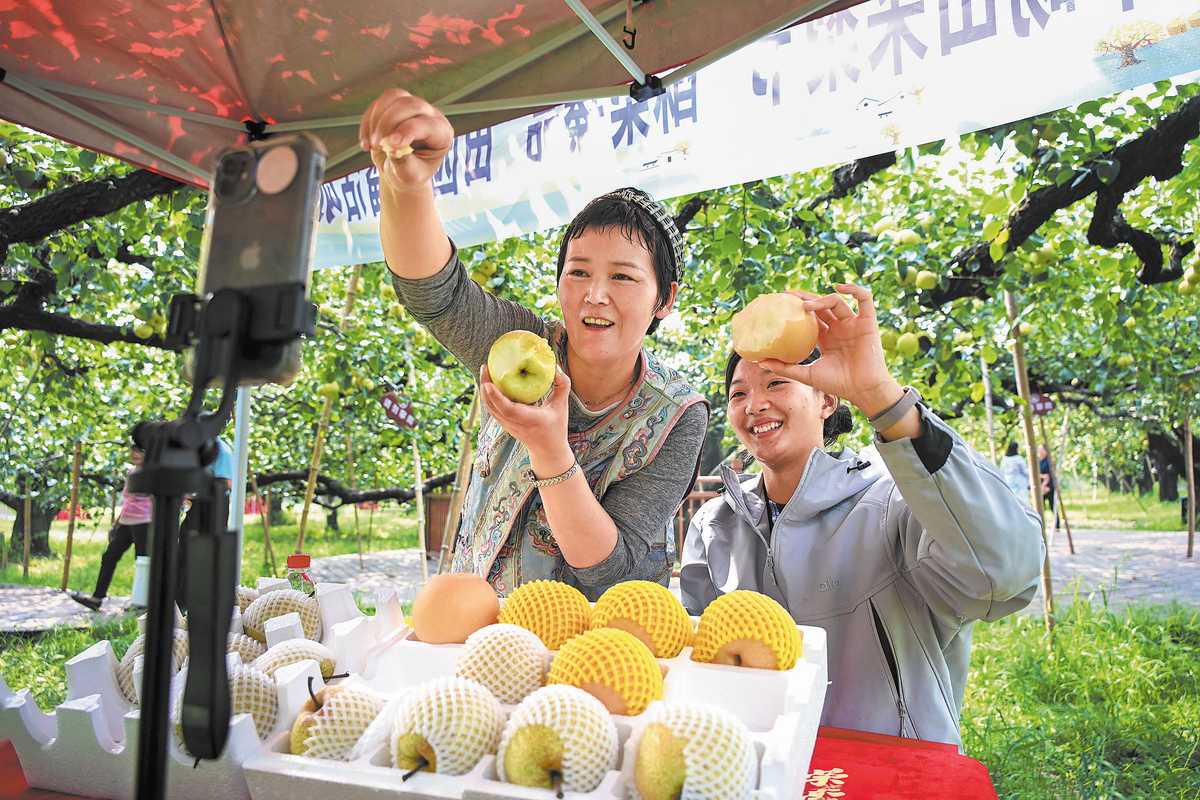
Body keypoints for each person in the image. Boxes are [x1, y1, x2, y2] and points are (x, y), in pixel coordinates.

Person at [359, 90, 708, 599]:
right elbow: (435, 295)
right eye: (579, 272)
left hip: (594, 639)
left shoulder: (677, 415)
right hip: (484, 624)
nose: (595, 295)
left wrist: (549, 449)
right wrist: (407, 185)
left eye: (623, 277)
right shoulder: (523, 344)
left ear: (665, 299)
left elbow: (610, 569)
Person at [680, 285, 1044, 746]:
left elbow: (1004, 576)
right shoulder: (714, 525)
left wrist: (880, 396)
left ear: (827, 400)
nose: (754, 405)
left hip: (891, 770)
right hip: (760, 766)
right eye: (738, 393)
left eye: (776, 383)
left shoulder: (896, 503)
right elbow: (699, 661)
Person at [70, 444, 152, 611]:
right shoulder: (131, 472)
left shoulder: (152, 473)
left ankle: (141, 603)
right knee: (109, 557)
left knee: (142, 562)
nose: (135, 454)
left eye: (140, 451)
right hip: (126, 522)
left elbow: (156, 500)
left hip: (144, 522)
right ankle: (97, 598)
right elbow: (128, 501)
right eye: (133, 450)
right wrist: (116, 524)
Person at [178, 435, 235, 612]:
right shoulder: (198, 446)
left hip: (214, 504)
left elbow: (225, 483)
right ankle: (182, 600)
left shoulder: (221, 450)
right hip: (199, 502)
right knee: (186, 547)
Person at [1000, 440, 1032, 507]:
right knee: (1023, 501)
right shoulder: (1019, 459)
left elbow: (1001, 471)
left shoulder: (1004, 459)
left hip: (1008, 481)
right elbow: (1025, 471)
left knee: (1012, 500)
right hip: (1019, 483)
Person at [1038, 444, 1060, 529]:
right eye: (1039, 449)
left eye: (1041, 449)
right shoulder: (1039, 461)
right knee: (1041, 507)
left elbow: (1048, 476)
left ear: (1046, 451)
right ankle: (1042, 525)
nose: (1039, 451)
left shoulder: (1048, 462)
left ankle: (1057, 525)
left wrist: (1044, 484)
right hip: (1041, 488)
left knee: (1052, 506)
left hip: (1049, 487)